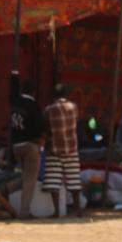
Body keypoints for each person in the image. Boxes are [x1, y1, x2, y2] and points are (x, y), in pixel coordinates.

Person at [42, 83, 83, 218]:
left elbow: (46, 128)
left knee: (54, 182)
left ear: (53, 94)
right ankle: (78, 211)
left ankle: (57, 212)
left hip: (55, 149)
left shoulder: (48, 109)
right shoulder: (73, 107)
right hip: (71, 148)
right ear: (66, 94)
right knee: (74, 181)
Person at [9, 76, 44, 219]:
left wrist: (15, 76)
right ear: (34, 92)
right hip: (30, 145)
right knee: (30, 179)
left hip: (16, 146)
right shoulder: (34, 106)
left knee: (24, 176)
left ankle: (5, 189)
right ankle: (24, 213)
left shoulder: (15, 102)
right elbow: (38, 129)